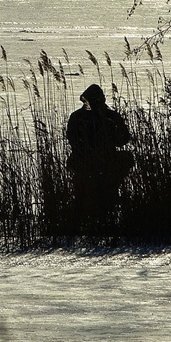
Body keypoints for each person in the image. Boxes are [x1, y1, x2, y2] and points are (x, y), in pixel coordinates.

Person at [66, 83, 134, 233]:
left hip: (87, 162)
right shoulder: (110, 116)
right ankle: (102, 217)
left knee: (86, 193)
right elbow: (123, 139)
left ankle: (88, 219)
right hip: (102, 162)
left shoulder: (77, 116)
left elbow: (72, 139)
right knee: (105, 191)